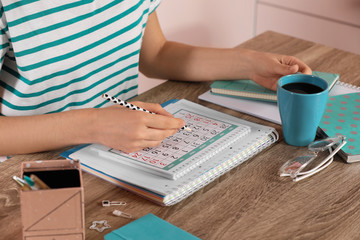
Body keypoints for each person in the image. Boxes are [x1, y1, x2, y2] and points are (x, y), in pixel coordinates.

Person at [0, 0, 311, 155]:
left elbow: (156, 55)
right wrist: (96, 124)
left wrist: (248, 64)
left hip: (119, 150)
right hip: (32, 167)